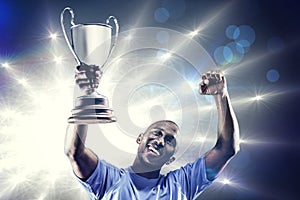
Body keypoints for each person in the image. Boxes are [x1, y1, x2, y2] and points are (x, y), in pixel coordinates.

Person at [64, 64, 240, 200]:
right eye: (157, 133)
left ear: (171, 158)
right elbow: (75, 152)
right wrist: (85, 95)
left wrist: (221, 95)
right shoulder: (110, 180)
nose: (160, 141)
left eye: (170, 140)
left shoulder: (182, 184)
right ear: (140, 138)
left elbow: (227, 149)